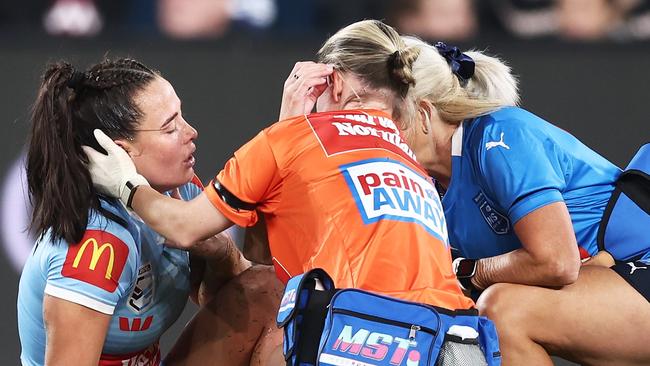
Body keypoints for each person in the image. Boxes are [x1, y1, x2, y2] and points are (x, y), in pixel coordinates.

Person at [84, 20, 497, 365]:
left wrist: (126, 183)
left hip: (367, 343)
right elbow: (272, 267)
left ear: (331, 81)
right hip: (451, 344)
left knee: (275, 306)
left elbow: (183, 227)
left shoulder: (295, 140)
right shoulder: (412, 158)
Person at [396, 36, 650, 365]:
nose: (369, 129)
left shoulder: (500, 134)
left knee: (504, 310)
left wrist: (472, 271)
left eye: (385, 115)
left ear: (423, 114)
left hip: (637, 266)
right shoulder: (423, 184)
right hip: (604, 273)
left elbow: (556, 263)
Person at [16, 58, 281, 366]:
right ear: (121, 151)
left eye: (182, 117)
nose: (192, 132)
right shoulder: (98, 246)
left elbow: (234, 299)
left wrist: (220, 253)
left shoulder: (178, 195)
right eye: (170, 128)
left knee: (272, 293)